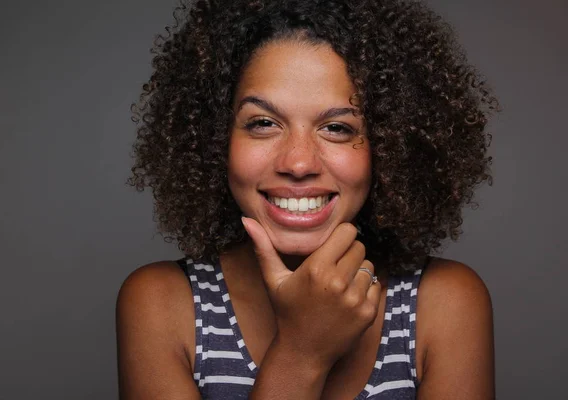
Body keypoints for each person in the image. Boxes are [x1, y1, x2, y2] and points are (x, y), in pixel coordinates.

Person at [117, 0, 498, 398]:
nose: (298, 162)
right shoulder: (162, 303)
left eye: (337, 127)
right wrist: (301, 353)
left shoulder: (445, 304)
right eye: (263, 123)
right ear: (214, 141)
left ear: (391, 146)